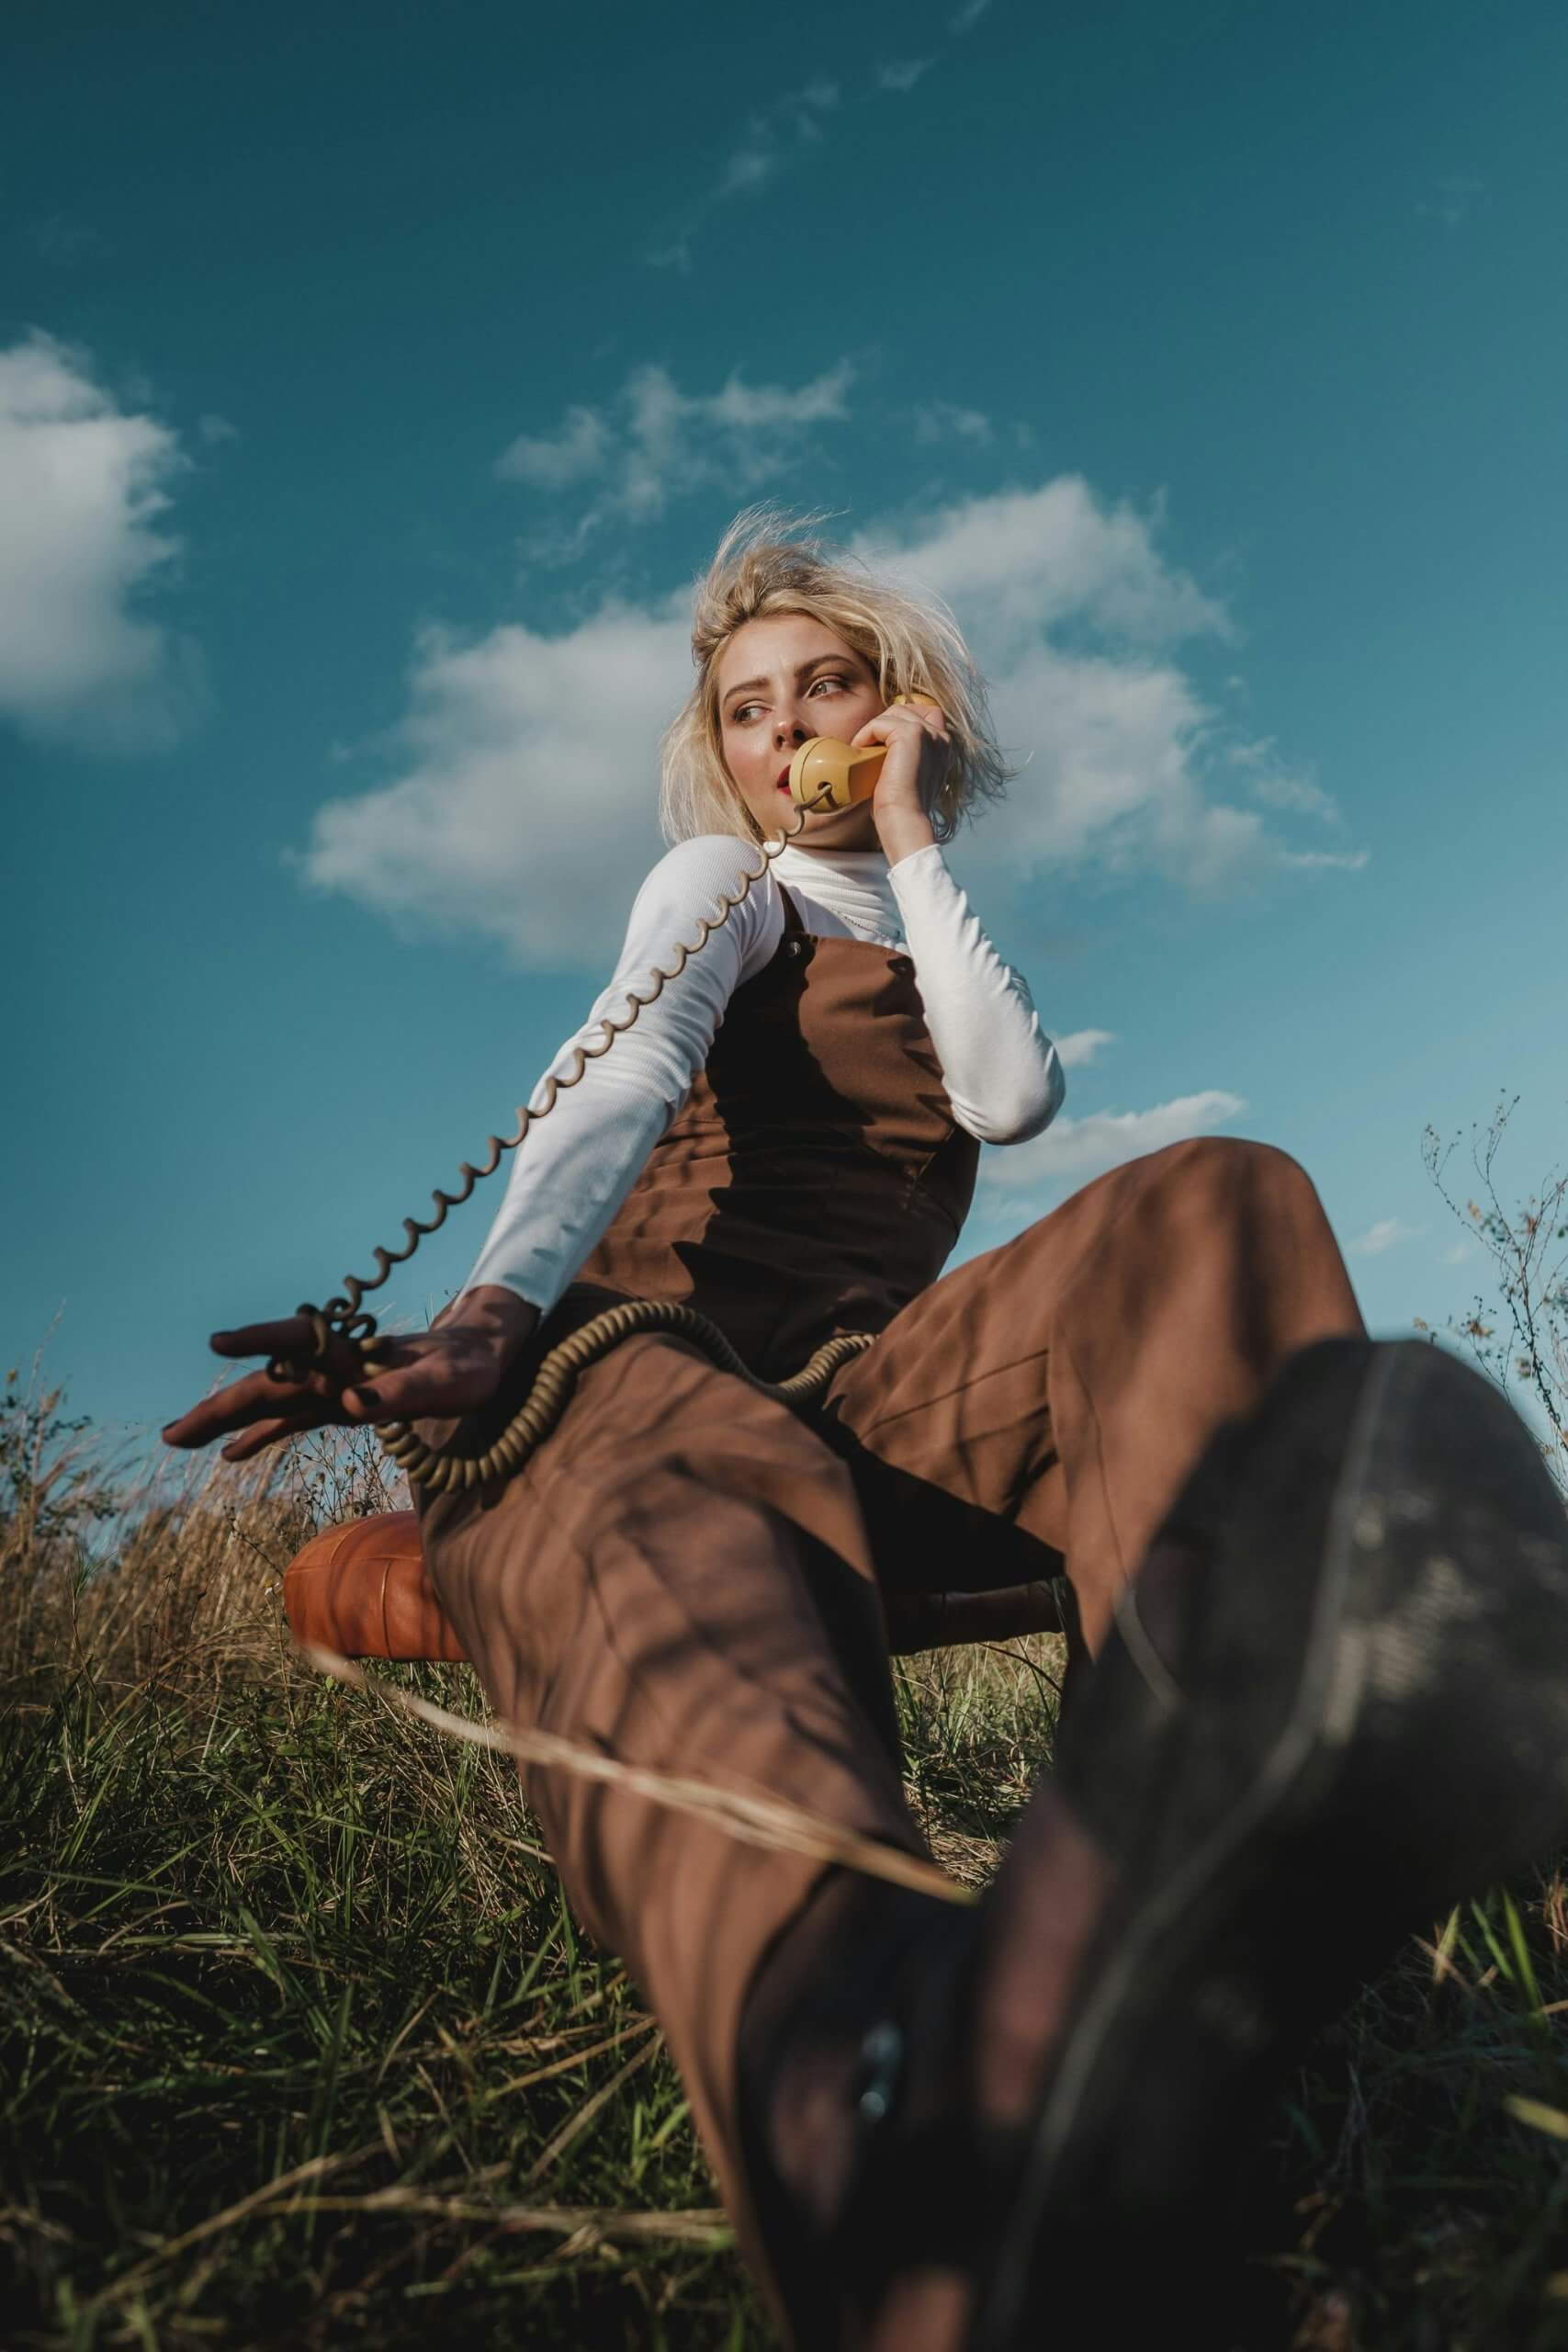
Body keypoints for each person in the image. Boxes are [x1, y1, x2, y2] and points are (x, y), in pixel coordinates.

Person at [164, 510, 1568, 2347]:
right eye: (747, 708)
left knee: (1213, 1197)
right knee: (703, 1462)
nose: (785, 728)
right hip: (619, 1378)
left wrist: (909, 841)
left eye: (825, 684)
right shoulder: (712, 885)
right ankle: (879, 2092)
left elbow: (1011, 1091)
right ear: (718, 752)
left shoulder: (912, 903)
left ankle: (1202, 1867)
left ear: (896, 708)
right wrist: (498, 1314)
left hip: (856, 1396)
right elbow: (625, 1068)